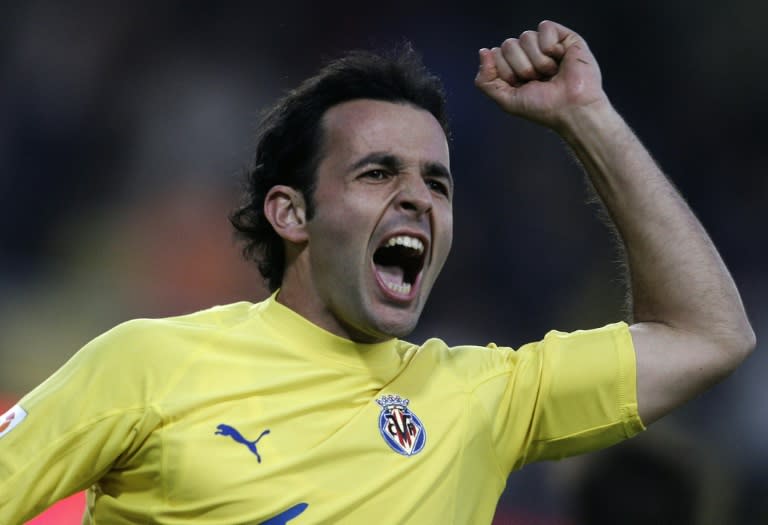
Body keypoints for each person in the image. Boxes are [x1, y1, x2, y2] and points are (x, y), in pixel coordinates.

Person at [0, 20, 755, 525]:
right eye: (377, 172)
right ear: (291, 214)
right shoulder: (147, 363)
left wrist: (588, 117)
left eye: (438, 182)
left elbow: (708, 334)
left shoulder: (483, 397)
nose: (417, 199)